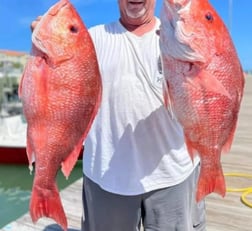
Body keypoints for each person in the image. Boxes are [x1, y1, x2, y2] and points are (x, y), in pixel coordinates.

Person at [32, 0, 206, 230]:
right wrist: (44, 41)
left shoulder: (178, 37)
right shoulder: (91, 39)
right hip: (107, 177)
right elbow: (53, 90)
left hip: (173, 174)